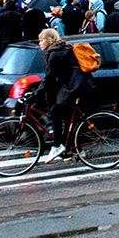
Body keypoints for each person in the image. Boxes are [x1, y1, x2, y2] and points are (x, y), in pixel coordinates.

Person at [33, 28, 90, 162]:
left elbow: (49, 77)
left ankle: (57, 145)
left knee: (55, 113)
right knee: (68, 118)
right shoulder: (61, 49)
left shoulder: (55, 54)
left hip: (72, 88)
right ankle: (75, 149)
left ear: (48, 40)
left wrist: (37, 93)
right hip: (72, 86)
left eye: (41, 40)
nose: (39, 43)